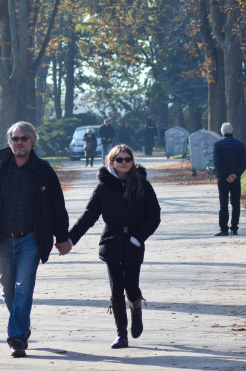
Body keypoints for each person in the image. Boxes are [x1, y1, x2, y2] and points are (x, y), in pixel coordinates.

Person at [0, 121, 71, 358]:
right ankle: (22, 325)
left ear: (32, 141)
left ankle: (16, 338)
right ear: (10, 141)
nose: (19, 143)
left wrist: (62, 237)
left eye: (24, 139)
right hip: (3, 240)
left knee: (23, 289)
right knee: (8, 291)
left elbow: (57, 206)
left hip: (31, 240)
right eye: (15, 139)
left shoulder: (43, 170)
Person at [67, 144, 161, 349]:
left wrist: (138, 238)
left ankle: (136, 311)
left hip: (134, 243)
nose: (124, 162)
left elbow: (154, 216)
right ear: (112, 162)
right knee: (117, 288)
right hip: (111, 242)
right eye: (119, 160)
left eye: (128, 159)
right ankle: (121, 334)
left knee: (131, 286)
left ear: (132, 161)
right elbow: (89, 216)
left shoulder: (143, 185)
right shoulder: (104, 187)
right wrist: (70, 239)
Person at [212, 122, 246, 236]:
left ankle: (223, 229)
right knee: (235, 203)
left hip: (223, 179)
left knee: (223, 203)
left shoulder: (217, 145)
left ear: (222, 132)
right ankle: (234, 228)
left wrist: (226, 175)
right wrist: (235, 174)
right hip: (235, 178)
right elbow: (244, 162)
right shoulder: (240, 144)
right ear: (232, 132)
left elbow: (217, 162)